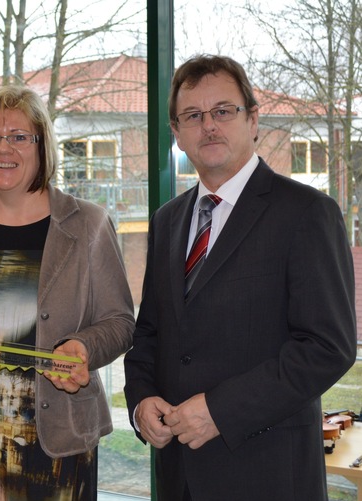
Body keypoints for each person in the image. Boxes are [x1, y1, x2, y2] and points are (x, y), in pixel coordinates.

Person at [124, 54, 357, 501]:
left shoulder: (307, 213)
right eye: (193, 116)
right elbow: (150, 333)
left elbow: (328, 348)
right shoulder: (168, 220)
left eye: (223, 111)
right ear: (176, 134)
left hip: (268, 476)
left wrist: (219, 410)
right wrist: (140, 403)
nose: (208, 126)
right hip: (179, 479)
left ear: (253, 119)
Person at [0, 84, 135, 500]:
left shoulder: (88, 225)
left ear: (42, 146)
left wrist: (83, 346)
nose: (5, 148)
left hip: (55, 448)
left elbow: (121, 322)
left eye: (19, 136)